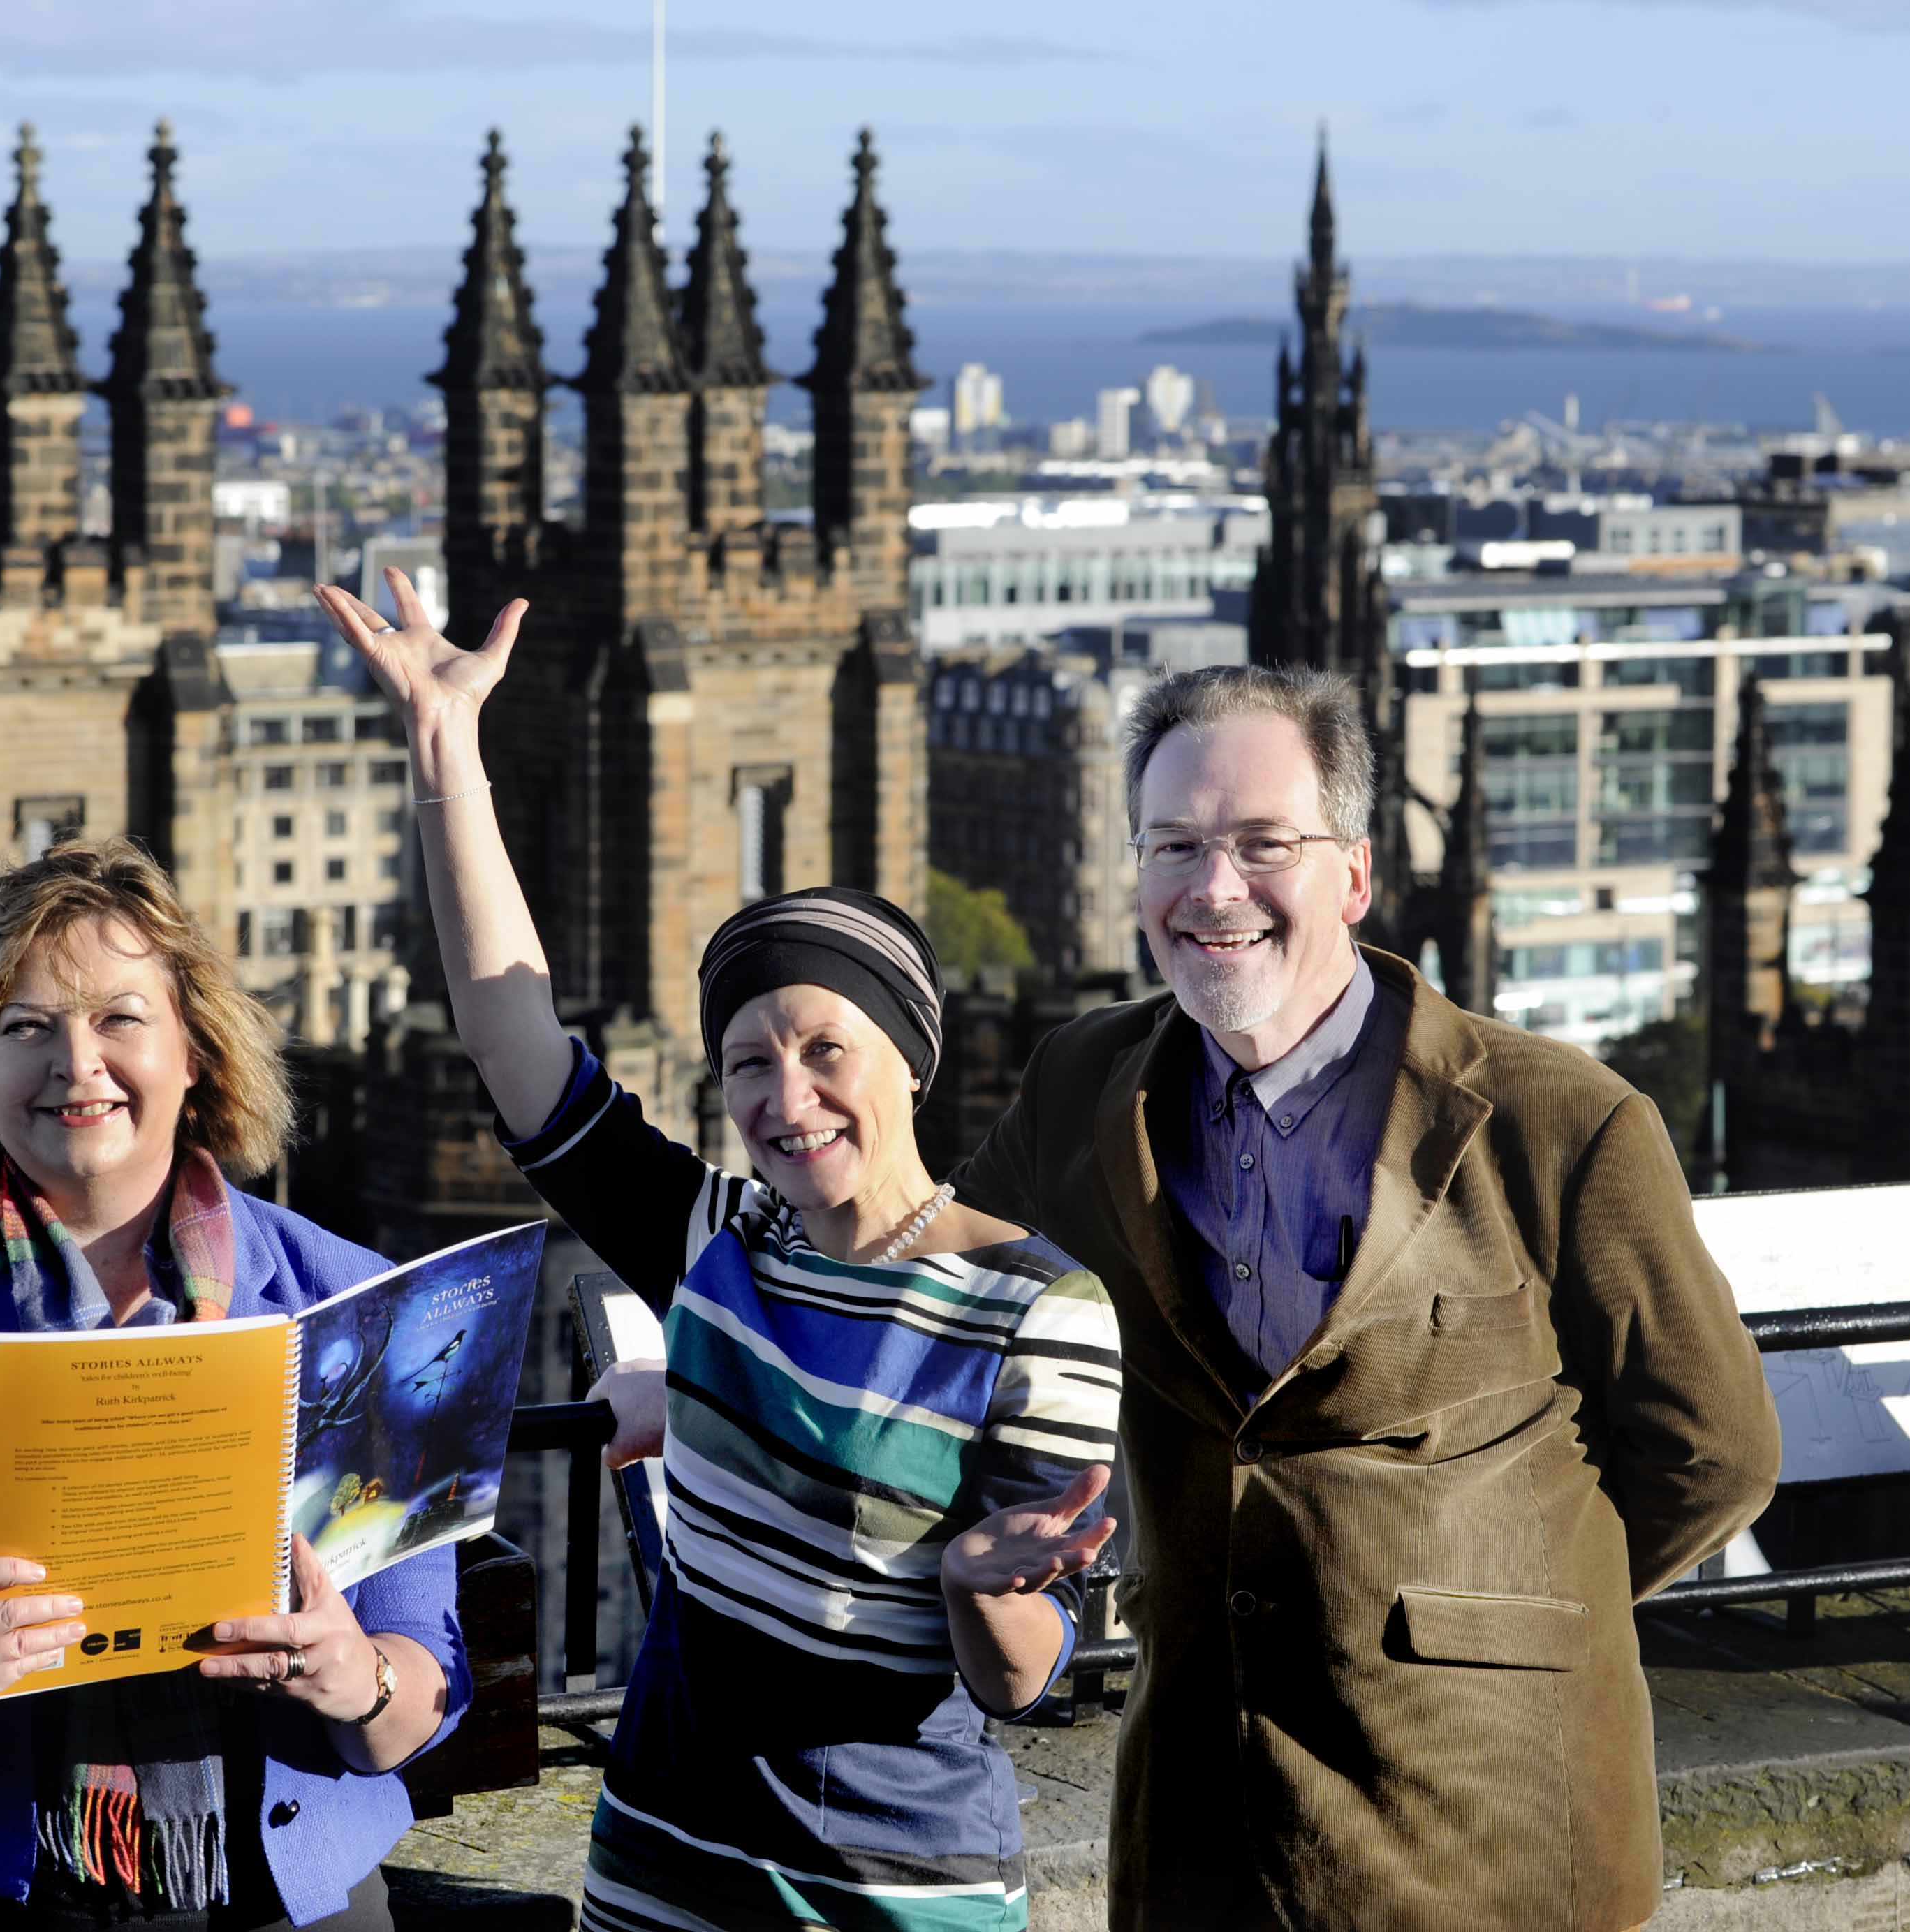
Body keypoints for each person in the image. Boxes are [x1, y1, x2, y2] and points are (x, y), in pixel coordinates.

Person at [318, 569, 1122, 1932]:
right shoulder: (714, 1247)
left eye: (825, 1048)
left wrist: (983, 1589)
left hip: (892, 1896)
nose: (785, 1094)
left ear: (908, 1062)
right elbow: (516, 1042)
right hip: (656, 1862)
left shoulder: (1033, 1307)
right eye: (748, 1060)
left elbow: (1018, 1680)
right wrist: (446, 749)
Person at [948, 663, 1782, 1932]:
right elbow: (912, 1263)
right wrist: (683, 1361)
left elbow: (1711, 1456)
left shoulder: (1565, 1122)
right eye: (1172, 846)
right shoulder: (1085, 1085)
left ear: (1352, 872)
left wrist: (1501, 1622)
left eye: (1261, 844)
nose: (1213, 889)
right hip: (1198, 1827)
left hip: (1486, 1834)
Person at [0, 838, 469, 1929]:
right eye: (25, 1027)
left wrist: (349, 1675)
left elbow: (421, 1690)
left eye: (119, 1018)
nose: (75, 1064)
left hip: (283, 1897)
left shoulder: (348, 1294)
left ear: (196, 1052)